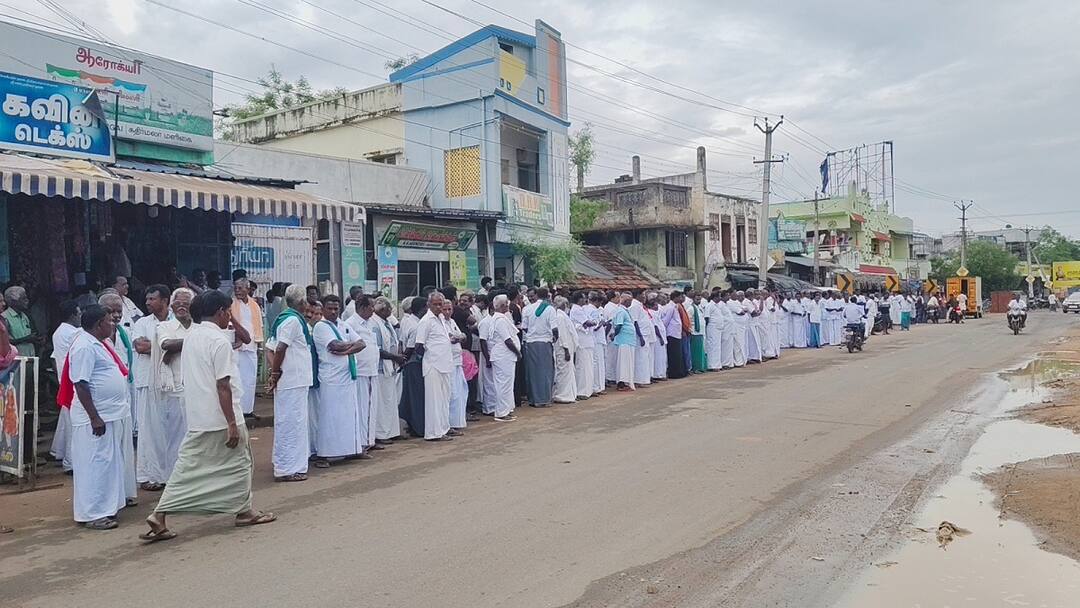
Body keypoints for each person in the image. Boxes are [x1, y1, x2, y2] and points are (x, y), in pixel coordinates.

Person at [140, 290, 276, 542]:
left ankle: (160, 513)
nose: (229, 317)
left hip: (198, 416)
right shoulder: (219, 341)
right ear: (220, 312)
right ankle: (244, 512)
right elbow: (222, 385)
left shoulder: (191, 336)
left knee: (188, 468)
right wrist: (232, 423)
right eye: (228, 312)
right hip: (222, 417)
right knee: (241, 463)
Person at [63, 304, 136, 530]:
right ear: (98, 324)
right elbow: (81, 384)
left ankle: (106, 507)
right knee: (95, 463)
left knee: (107, 463)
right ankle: (93, 513)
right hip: (95, 418)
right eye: (109, 321)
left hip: (109, 413)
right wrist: (94, 417)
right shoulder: (85, 346)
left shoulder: (99, 343)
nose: (113, 323)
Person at [130, 285, 178, 491]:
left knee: (172, 429)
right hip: (148, 382)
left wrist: (158, 346)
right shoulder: (141, 322)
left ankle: (172, 474)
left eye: (152, 299)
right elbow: (140, 347)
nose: (148, 303)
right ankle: (148, 475)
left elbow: (186, 342)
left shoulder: (177, 321)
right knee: (149, 429)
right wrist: (169, 346)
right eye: (147, 299)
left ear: (165, 300)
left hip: (172, 380)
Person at [267, 284, 316, 482]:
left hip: (293, 380)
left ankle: (291, 464)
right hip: (292, 380)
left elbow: (270, 349)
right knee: (291, 423)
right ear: (302, 301)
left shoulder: (289, 319)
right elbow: (278, 349)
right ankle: (287, 469)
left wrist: (275, 373)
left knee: (292, 422)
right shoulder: (292, 321)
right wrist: (276, 372)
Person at [312, 294, 366, 467]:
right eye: (330, 308)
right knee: (330, 417)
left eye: (336, 308)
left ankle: (351, 449)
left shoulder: (343, 325)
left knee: (350, 415)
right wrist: (350, 347)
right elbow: (334, 345)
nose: (334, 312)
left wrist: (347, 349)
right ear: (323, 309)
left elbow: (362, 343)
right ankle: (324, 454)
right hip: (331, 378)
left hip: (347, 376)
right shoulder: (321, 327)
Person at [149, 288, 194, 485]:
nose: (181, 306)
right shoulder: (165, 326)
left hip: (196, 389)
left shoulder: (198, 326)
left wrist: (180, 345)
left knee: (195, 437)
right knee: (176, 438)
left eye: (186, 303)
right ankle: (173, 482)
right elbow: (166, 345)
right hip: (175, 390)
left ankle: (193, 481)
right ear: (171, 306)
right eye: (178, 303)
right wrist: (193, 342)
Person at [413, 292, 453, 441]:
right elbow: (419, 345)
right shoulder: (426, 321)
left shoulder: (441, 318)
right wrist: (429, 358)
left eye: (440, 304)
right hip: (433, 365)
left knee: (444, 399)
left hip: (445, 363)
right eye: (435, 304)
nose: (438, 307)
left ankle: (443, 429)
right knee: (434, 401)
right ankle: (434, 432)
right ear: (428, 305)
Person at [345, 295, 383, 450]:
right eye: (371, 307)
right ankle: (362, 442)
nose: (373, 310)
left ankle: (369, 439)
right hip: (361, 371)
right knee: (362, 408)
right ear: (362, 308)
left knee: (371, 407)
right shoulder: (350, 324)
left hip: (372, 370)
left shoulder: (370, 323)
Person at [49, 300, 82, 472]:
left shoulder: (58, 332)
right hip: (73, 380)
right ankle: (70, 461)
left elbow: (54, 358)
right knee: (73, 423)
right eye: (79, 313)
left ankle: (59, 451)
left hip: (65, 378)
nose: (80, 317)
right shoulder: (75, 333)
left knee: (66, 418)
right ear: (73, 315)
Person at [372, 297, 404, 443]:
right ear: (382, 310)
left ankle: (392, 431)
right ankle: (382, 434)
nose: (390, 312)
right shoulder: (374, 324)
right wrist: (394, 357)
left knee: (391, 401)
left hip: (390, 367)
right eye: (389, 309)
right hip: (381, 367)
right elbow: (377, 349)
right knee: (382, 402)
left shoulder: (386, 323)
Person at [230, 279, 262, 418]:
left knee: (249, 379)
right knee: (237, 379)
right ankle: (237, 410)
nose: (237, 290)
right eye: (236, 288)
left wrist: (259, 344)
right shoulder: (230, 304)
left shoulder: (254, 305)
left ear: (247, 289)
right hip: (236, 346)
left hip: (251, 345)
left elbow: (258, 325)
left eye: (240, 288)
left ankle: (247, 410)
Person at [521, 287, 558, 407]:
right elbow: (554, 328)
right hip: (545, 342)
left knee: (533, 372)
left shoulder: (526, 309)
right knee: (546, 371)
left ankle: (534, 399)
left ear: (536, 295)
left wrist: (533, 331)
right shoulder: (549, 309)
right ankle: (545, 399)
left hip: (531, 342)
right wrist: (554, 338)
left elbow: (524, 327)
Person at [484, 295, 519, 421]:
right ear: (504, 306)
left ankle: (506, 409)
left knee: (507, 384)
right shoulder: (500, 320)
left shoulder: (501, 318)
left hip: (505, 356)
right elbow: (507, 340)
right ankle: (501, 413)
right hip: (503, 356)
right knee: (503, 384)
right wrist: (517, 352)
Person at [397, 296, 427, 437]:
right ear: (422, 309)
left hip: (409, 362)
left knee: (410, 395)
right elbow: (411, 348)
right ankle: (418, 426)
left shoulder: (407, 321)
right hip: (414, 362)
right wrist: (404, 361)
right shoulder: (416, 326)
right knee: (417, 397)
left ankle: (412, 424)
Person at [552, 296, 578, 404]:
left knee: (567, 372)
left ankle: (568, 395)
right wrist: (566, 349)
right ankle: (562, 395)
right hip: (563, 349)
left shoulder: (562, 316)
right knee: (563, 372)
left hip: (567, 348)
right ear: (563, 305)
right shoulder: (559, 317)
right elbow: (562, 335)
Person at [569, 292, 595, 400]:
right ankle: (582, 391)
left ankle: (588, 390)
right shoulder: (576, 309)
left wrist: (591, 323)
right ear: (579, 299)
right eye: (584, 298)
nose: (585, 300)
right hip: (582, 341)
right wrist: (593, 322)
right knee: (582, 366)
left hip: (587, 340)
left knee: (588, 366)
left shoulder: (581, 309)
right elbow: (588, 322)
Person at [611, 293, 639, 391]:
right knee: (624, 362)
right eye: (630, 301)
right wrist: (614, 335)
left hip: (628, 340)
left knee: (628, 362)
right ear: (626, 301)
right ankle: (621, 383)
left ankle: (626, 382)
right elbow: (619, 325)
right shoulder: (621, 311)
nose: (631, 303)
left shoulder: (625, 311)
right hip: (624, 340)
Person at [4, 286, 42, 357]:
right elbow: (4, 342)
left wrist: (35, 339)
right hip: (15, 361)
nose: (27, 300)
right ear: (13, 301)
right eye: (23, 298)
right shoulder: (4, 317)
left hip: (29, 357)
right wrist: (26, 339)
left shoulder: (24, 316)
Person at [629, 293, 653, 387]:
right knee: (640, 358)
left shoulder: (640, 305)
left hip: (645, 334)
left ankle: (643, 379)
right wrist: (641, 336)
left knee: (644, 357)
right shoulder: (634, 305)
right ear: (637, 295)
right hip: (640, 335)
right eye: (642, 295)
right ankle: (638, 380)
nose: (644, 297)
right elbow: (635, 322)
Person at [589, 292, 608, 396]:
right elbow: (594, 327)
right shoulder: (592, 310)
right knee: (596, 364)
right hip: (595, 340)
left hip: (599, 340)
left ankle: (599, 386)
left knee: (600, 364)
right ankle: (596, 387)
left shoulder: (595, 310)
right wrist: (601, 323)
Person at [602, 290, 621, 386]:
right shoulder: (612, 308)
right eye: (618, 297)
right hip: (611, 334)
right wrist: (609, 335)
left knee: (612, 356)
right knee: (611, 357)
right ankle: (610, 377)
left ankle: (611, 376)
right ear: (612, 298)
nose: (619, 299)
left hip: (610, 334)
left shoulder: (611, 307)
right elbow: (610, 322)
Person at [727, 291, 748, 367]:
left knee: (742, 343)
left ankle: (742, 360)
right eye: (735, 294)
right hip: (736, 326)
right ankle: (738, 362)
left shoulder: (737, 302)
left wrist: (743, 310)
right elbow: (741, 312)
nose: (736, 296)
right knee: (737, 343)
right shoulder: (730, 303)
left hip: (742, 326)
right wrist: (742, 311)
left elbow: (745, 309)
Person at [689, 292, 709, 372]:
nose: (698, 300)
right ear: (693, 299)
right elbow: (688, 319)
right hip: (694, 332)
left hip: (701, 332)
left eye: (699, 299)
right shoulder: (691, 308)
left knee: (702, 350)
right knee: (696, 351)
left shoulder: (700, 307)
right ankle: (696, 368)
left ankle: (701, 367)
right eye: (697, 299)